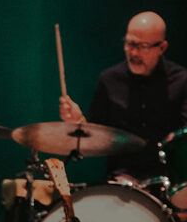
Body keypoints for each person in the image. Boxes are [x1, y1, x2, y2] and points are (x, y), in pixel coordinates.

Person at [59, 11, 187, 182]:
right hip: (121, 180)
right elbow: (94, 135)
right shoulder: (109, 80)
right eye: (129, 43)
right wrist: (77, 121)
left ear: (161, 47)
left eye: (141, 46)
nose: (133, 53)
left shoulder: (182, 80)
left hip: (169, 180)